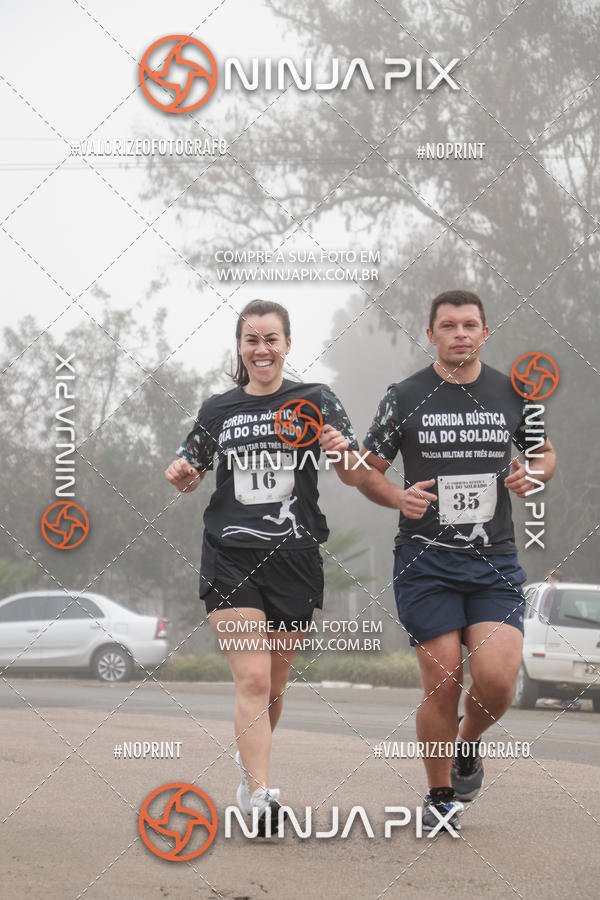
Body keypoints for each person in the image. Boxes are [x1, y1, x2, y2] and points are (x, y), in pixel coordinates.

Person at [323, 289, 557, 831]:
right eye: (448, 325)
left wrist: (534, 474)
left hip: (493, 561)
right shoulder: (404, 396)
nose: (459, 333)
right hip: (425, 562)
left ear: (484, 332)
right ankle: (440, 795)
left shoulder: (513, 393)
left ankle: (467, 741)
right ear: (430, 334)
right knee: (443, 679)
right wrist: (394, 495)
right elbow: (365, 470)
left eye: (469, 324)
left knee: (497, 681)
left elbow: (544, 453)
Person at [164, 298, 375, 834]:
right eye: (252, 340)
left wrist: (341, 449)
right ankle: (260, 796)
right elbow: (192, 472)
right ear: (241, 347)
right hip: (230, 554)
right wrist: (181, 473)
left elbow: (353, 475)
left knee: (274, 687)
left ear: (287, 345)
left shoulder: (316, 400)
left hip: (295, 559)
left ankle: (247, 768)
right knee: (253, 679)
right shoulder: (218, 410)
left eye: (271, 339)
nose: (262, 349)